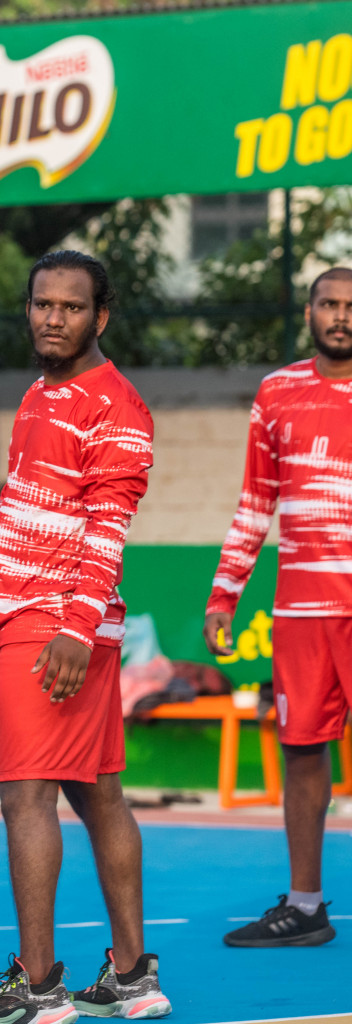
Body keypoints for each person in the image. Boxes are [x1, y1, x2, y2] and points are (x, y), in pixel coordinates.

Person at [0, 251, 169, 1024]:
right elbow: (14, 511)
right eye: (42, 304)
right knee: (96, 792)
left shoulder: (119, 407)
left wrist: (73, 627)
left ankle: (39, 991)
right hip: (35, 616)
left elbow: (109, 526)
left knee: (24, 797)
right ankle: (133, 977)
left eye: (70, 307)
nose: (52, 317)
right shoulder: (41, 396)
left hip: (57, 626)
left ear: (100, 317)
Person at [204, 266, 352, 949]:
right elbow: (254, 506)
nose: (341, 316)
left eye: (351, 306)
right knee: (301, 751)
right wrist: (224, 593)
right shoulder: (276, 393)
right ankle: (306, 905)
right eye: (330, 304)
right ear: (309, 311)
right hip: (301, 611)